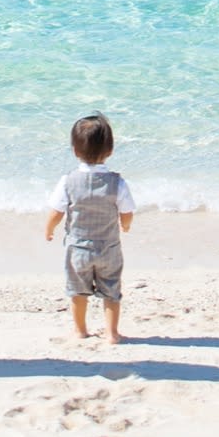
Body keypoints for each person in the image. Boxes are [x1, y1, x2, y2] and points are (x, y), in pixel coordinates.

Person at [45, 112, 135, 343]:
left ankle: (80, 330)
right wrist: (125, 226)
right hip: (109, 248)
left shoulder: (68, 181)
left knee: (77, 291)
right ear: (110, 150)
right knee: (111, 290)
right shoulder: (117, 182)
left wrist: (49, 229)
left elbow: (56, 211)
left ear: (75, 151)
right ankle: (112, 333)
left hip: (78, 248)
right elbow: (126, 211)